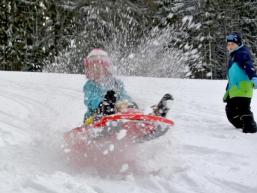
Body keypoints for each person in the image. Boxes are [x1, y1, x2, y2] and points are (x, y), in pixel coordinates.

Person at [83, 48, 133, 125]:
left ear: (106, 68)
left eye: (98, 67)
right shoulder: (89, 85)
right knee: (96, 117)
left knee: (126, 108)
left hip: (117, 113)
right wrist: (102, 104)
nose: (95, 71)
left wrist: (127, 103)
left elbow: (123, 95)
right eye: (92, 68)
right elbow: (90, 99)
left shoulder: (116, 83)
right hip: (94, 115)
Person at [223, 32, 257, 133]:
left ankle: (250, 127)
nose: (230, 46)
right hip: (235, 90)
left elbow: (249, 66)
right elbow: (232, 78)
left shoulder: (242, 53)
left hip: (243, 88)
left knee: (243, 108)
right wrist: (227, 91)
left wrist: (254, 77)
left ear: (238, 44)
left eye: (232, 44)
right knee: (230, 110)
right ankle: (242, 124)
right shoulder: (233, 57)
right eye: (228, 44)